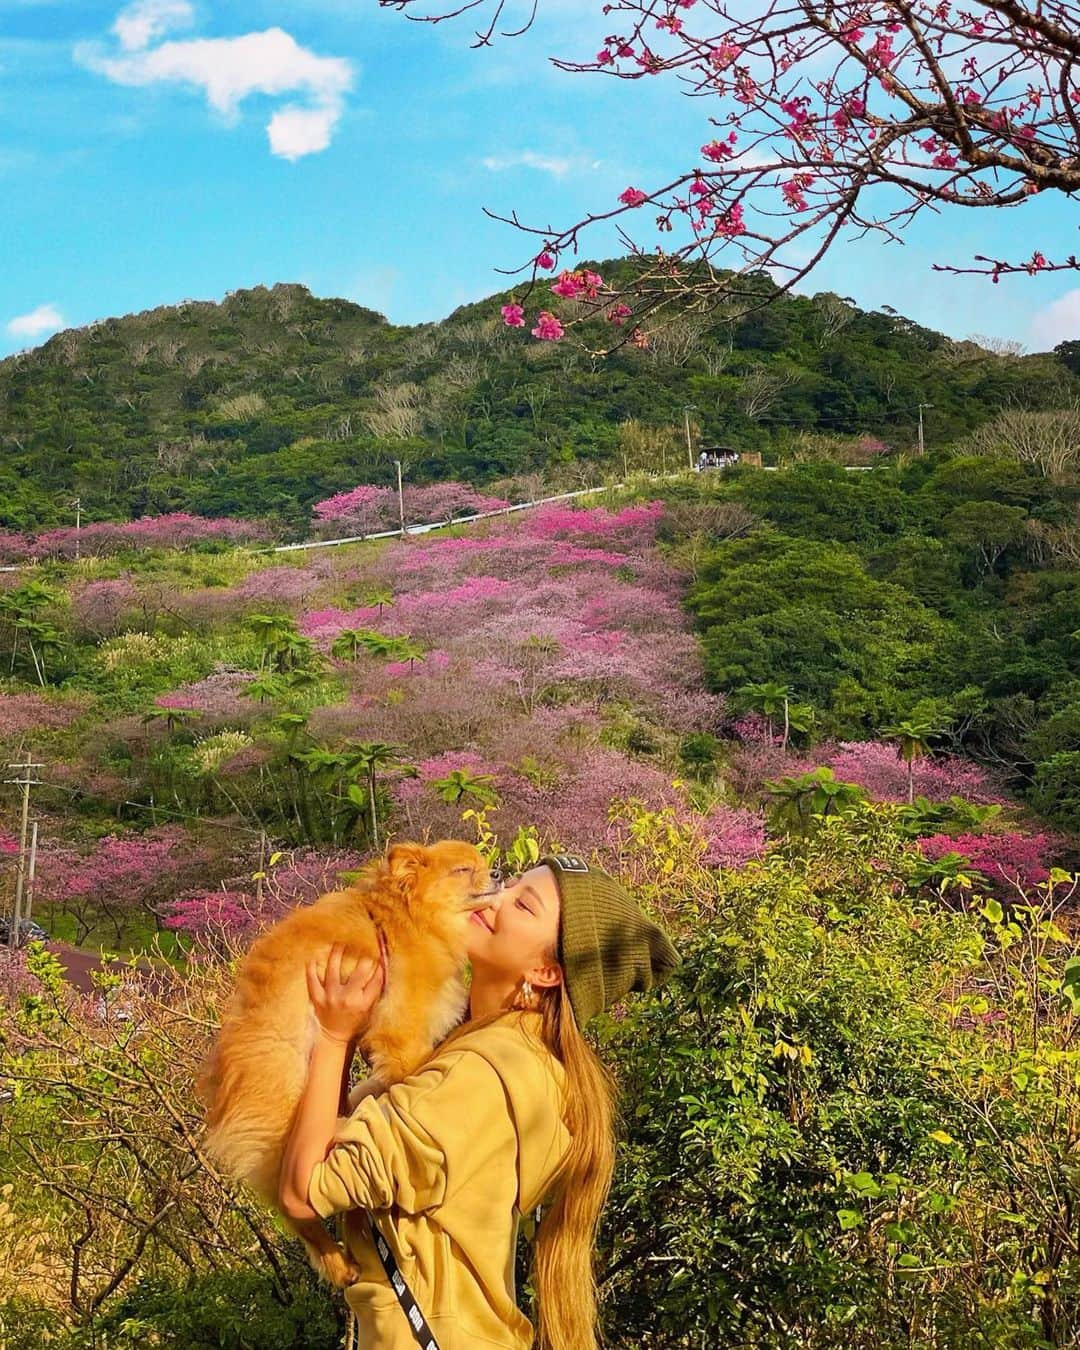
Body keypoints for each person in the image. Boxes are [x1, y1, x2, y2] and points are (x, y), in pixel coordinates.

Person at [279, 852, 680, 1349]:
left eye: (523, 906)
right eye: (509, 883)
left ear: (547, 972)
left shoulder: (481, 1075)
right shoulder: (517, 1059)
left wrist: (334, 1037)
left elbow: (304, 1190)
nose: (493, 897)